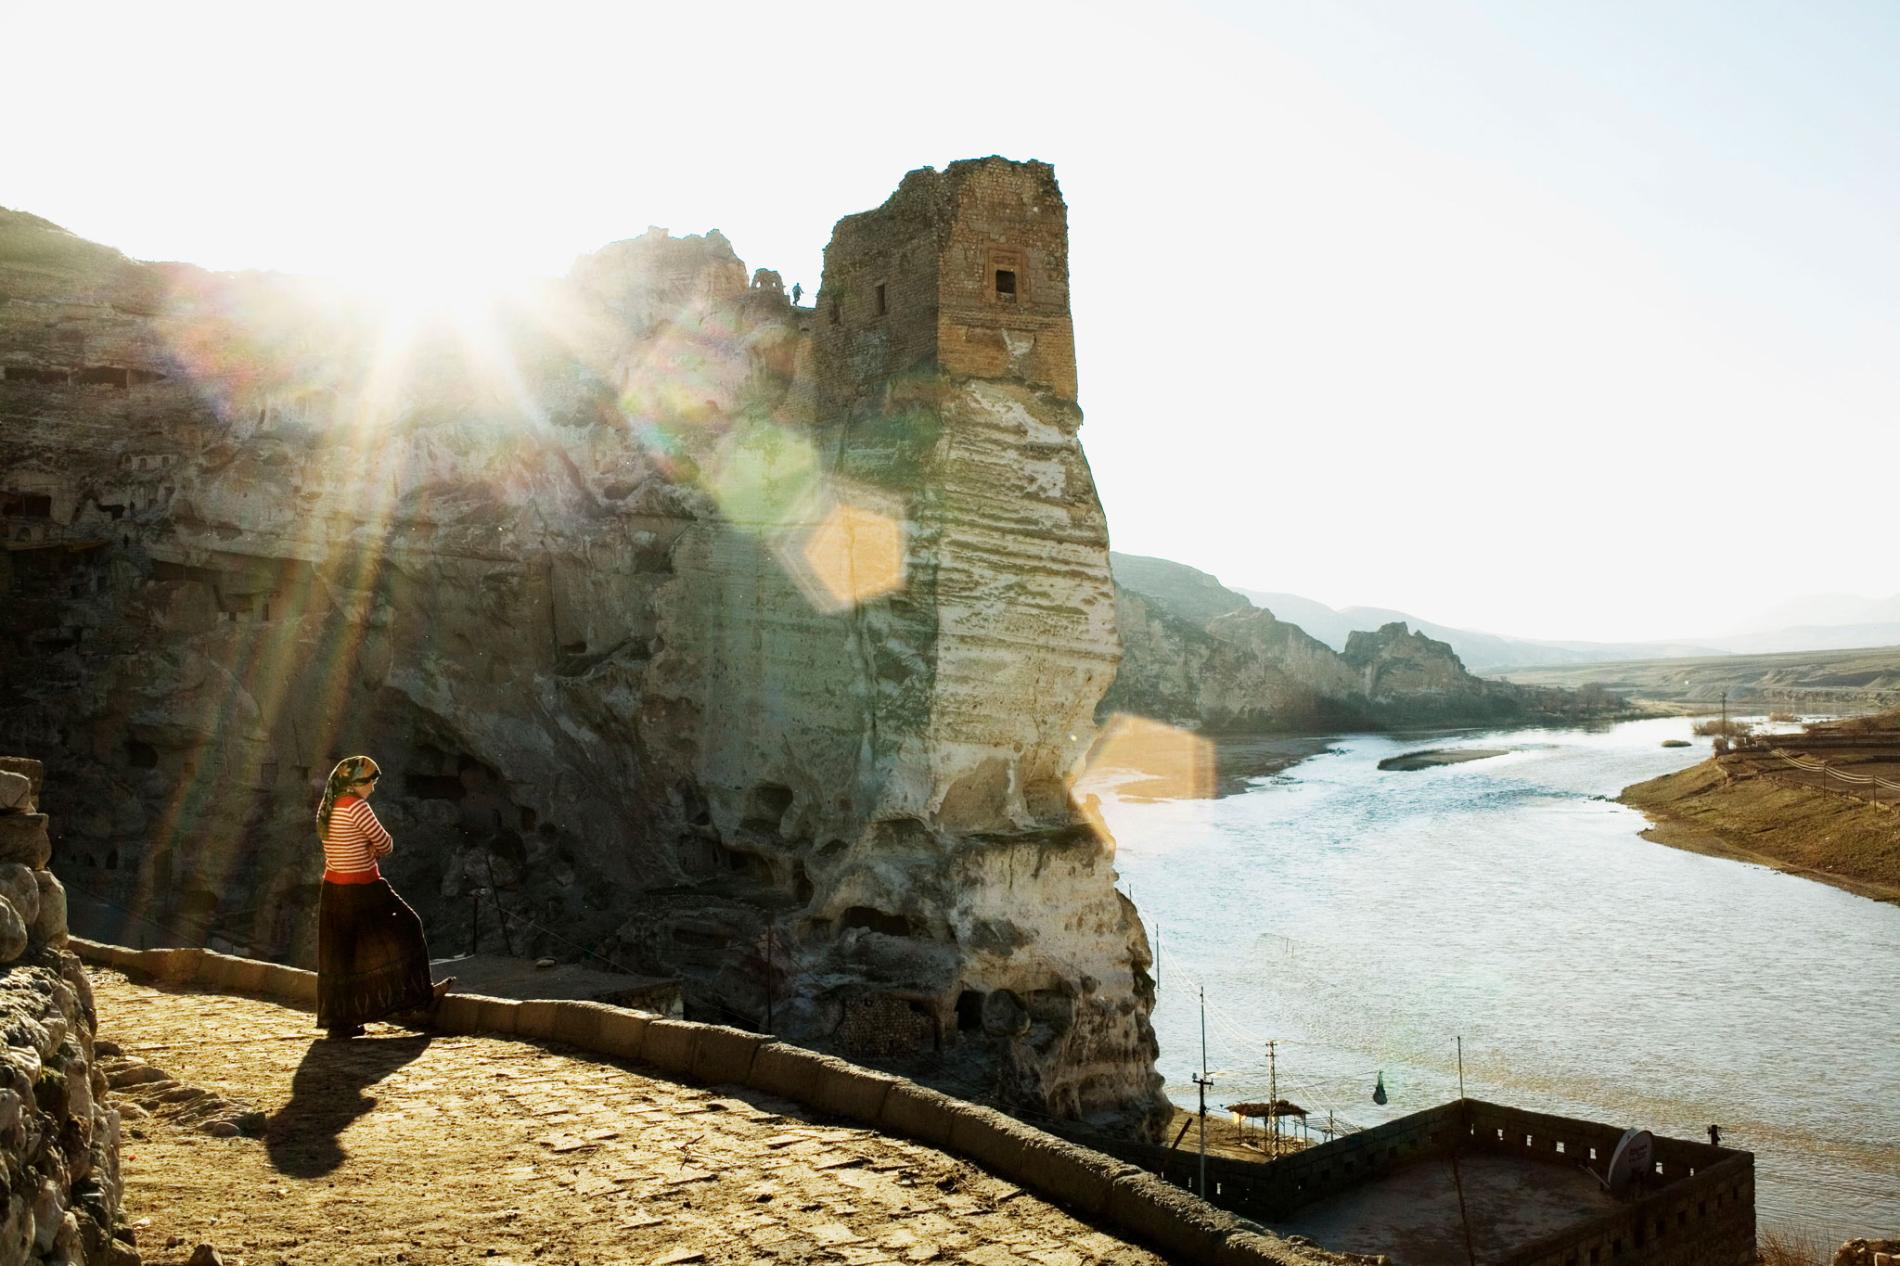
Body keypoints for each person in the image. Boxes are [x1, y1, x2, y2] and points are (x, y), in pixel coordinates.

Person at [314, 755, 453, 1039]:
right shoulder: (357, 807)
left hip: (334, 890)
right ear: (356, 783)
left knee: (342, 955)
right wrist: (372, 848)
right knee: (409, 927)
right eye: (370, 782)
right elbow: (385, 843)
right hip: (364, 888)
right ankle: (417, 999)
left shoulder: (328, 806)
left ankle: (340, 1022)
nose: (372, 788)